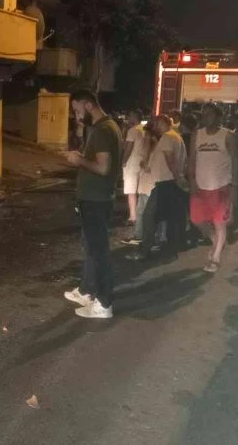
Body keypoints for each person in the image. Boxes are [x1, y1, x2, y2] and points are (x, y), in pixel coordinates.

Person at [63, 90, 122, 320]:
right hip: (97, 198)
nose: (77, 116)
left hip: (96, 200)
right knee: (92, 247)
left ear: (89, 105)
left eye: (78, 110)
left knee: (99, 252)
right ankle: (88, 291)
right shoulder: (107, 127)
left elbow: (103, 168)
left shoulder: (103, 130)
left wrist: (79, 160)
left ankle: (104, 303)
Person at [127, 114, 187, 261]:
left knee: (149, 216)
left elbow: (169, 159)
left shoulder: (167, 137)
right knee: (171, 218)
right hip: (169, 182)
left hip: (165, 182)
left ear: (163, 123)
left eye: (156, 123)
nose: (155, 127)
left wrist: (177, 177)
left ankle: (145, 250)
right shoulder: (176, 137)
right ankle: (170, 251)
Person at [189, 103, 237, 273]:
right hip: (200, 187)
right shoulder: (197, 134)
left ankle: (215, 258)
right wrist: (192, 181)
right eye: (204, 114)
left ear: (218, 117)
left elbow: (235, 161)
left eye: (209, 114)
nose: (205, 117)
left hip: (222, 187)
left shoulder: (228, 136)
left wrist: (234, 185)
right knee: (196, 220)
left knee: (219, 223)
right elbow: (192, 159)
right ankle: (217, 241)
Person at [121, 122, 156, 246]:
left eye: (146, 134)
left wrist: (141, 163)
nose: (144, 136)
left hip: (146, 183)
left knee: (142, 210)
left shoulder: (150, 145)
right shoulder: (155, 144)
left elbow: (145, 164)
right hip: (148, 183)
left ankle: (140, 236)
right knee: (144, 210)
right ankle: (147, 237)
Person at [122, 109, 145, 225]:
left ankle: (133, 216)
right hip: (143, 163)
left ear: (134, 117)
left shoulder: (132, 130)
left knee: (131, 191)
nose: (128, 118)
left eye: (130, 116)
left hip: (132, 163)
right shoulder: (144, 130)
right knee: (141, 191)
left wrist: (123, 161)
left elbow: (128, 148)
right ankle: (141, 214)